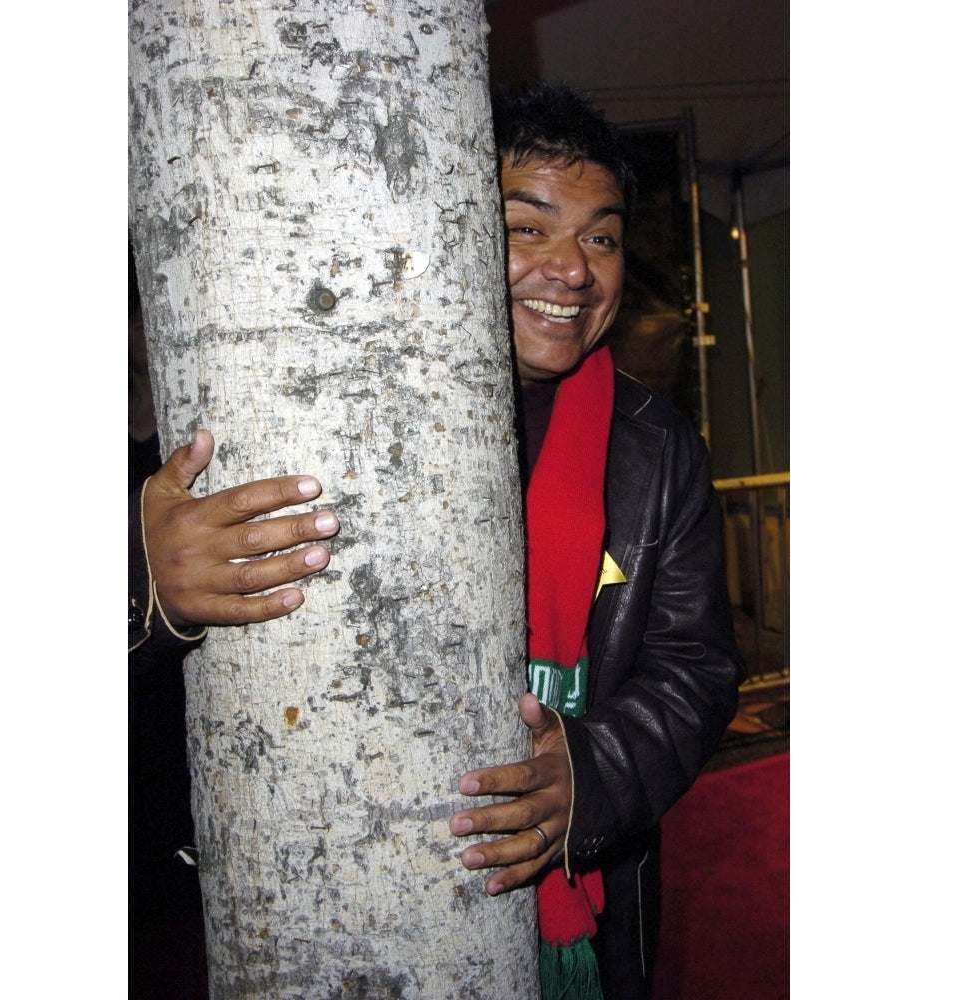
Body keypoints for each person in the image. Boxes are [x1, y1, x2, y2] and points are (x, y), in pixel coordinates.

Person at [129, 83, 744, 1000]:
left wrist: (593, 773)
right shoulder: (313, 402)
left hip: (579, 907)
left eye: (601, 236)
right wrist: (147, 588)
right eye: (527, 227)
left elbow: (695, 667)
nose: (573, 269)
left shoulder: (660, 450)